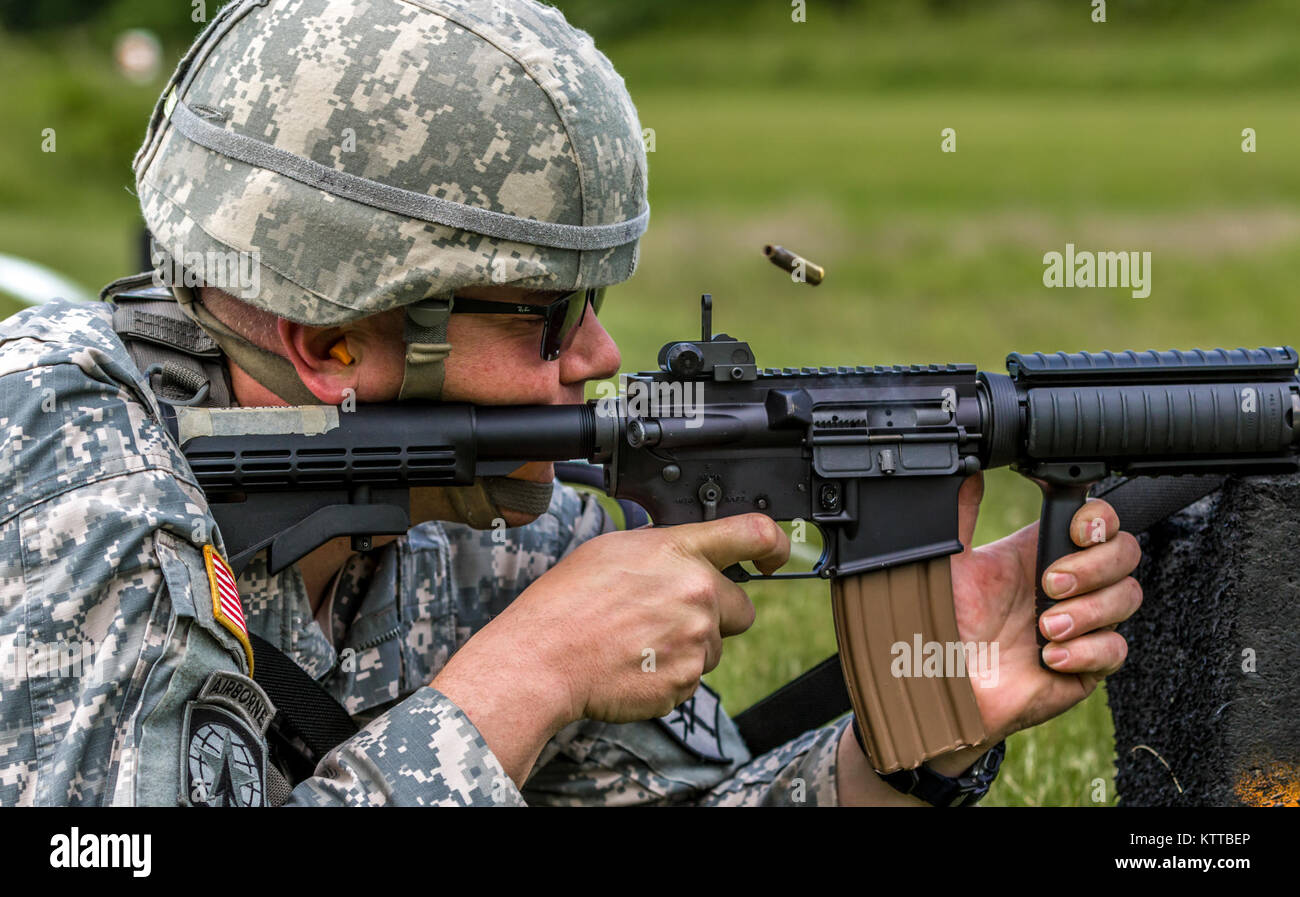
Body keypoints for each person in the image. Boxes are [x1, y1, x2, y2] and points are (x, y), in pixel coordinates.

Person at [0, 0, 1141, 806]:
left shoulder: (498, 505)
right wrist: (526, 677)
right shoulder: (73, 490)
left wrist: (919, 741)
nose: (597, 356)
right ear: (333, 338)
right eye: (544, 317)